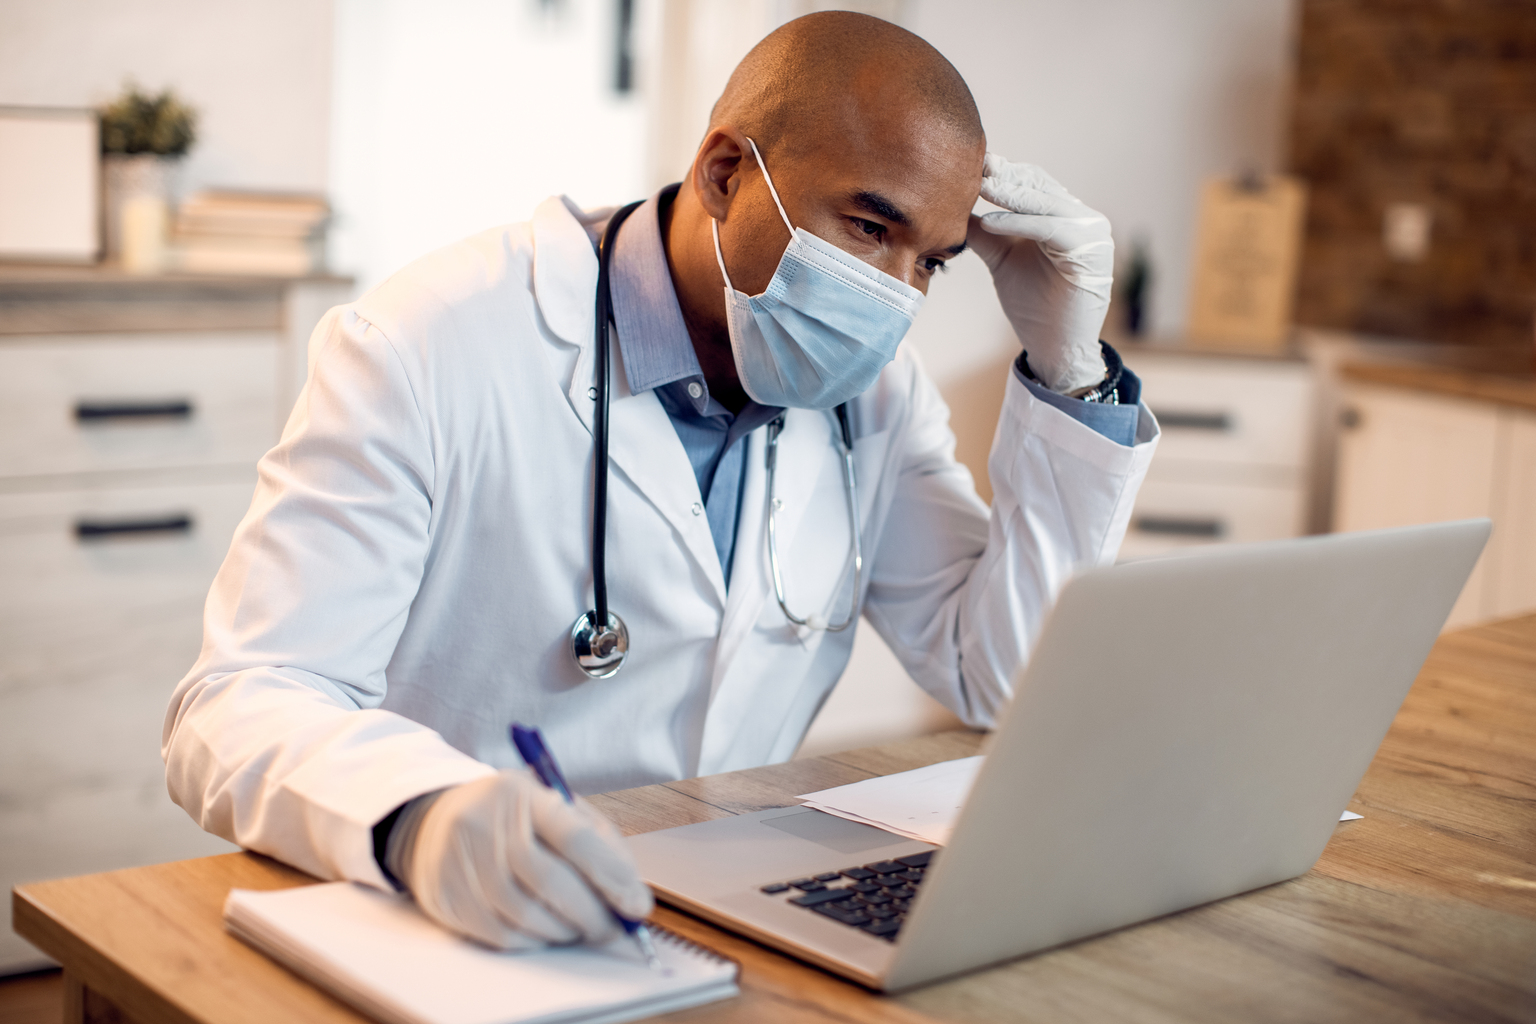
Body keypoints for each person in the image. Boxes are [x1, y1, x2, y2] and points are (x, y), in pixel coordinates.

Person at [163, 12, 1158, 953]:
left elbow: (998, 674)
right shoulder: (430, 341)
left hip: (724, 913)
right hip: (464, 923)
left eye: (931, 263)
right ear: (726, 170)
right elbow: (242, 697)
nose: (895, 298)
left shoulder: (876, 398)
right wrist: (419, 815)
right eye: (866, 226)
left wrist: (1072, 371)